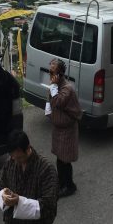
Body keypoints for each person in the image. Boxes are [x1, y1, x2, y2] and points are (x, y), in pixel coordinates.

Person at [45, 59, 81, 197]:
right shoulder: (56, 86)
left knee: (65, 160)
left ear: (59, 73)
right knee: (60, 158)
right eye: (50, 70)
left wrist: (53, 87)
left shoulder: (67, 88)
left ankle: (69, 185)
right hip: (58, 128)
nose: (50, 74)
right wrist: (48, 110)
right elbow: (51, 100)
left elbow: (58, 102)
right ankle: (62, 183)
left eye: (52, 71)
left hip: (67, 130)